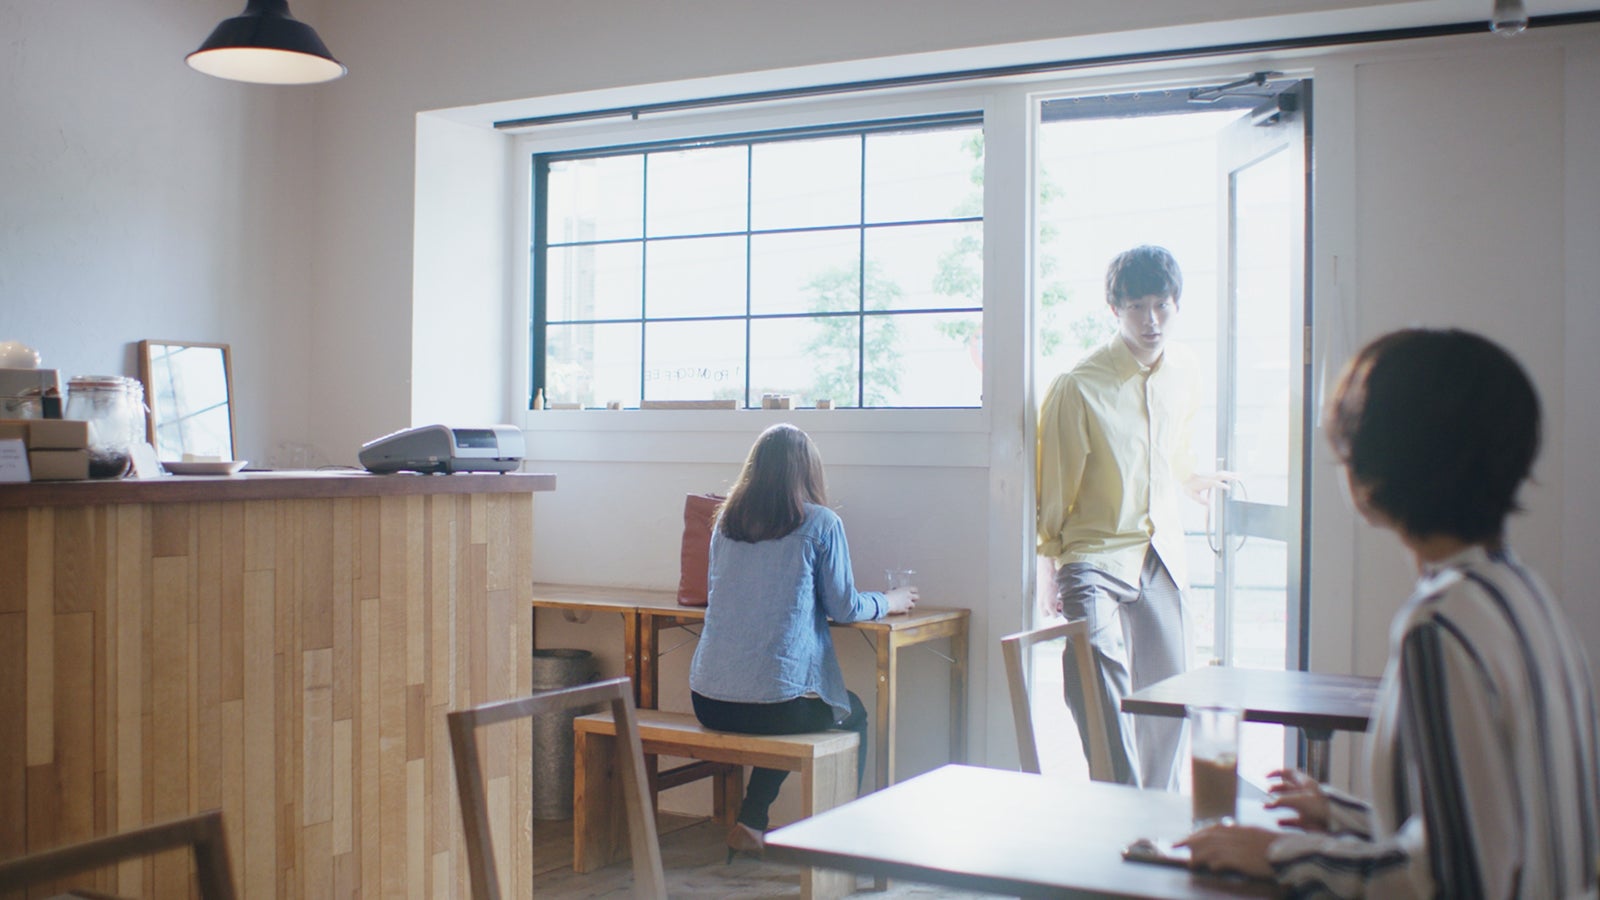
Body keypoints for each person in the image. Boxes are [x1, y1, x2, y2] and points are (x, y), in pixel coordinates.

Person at [1180, 328, 1600, 898]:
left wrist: (1284, 855)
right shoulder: (1527, 597)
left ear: (1374, 468)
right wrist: (1346, 815)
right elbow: (1499, 819)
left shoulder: (1439, 626)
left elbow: (1457, 881)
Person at [1036, 244, 1227, 789]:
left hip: (1160, 546)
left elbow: (1174, 444)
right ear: (1114, 309)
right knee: (1093, 677)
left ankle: (1157, 803)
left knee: (1172, 688)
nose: (1151, 320)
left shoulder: (1186, 368)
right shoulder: (1078, 386)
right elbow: (1055, 487)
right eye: (1137, 306)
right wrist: (1049, 564)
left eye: (1162, 305)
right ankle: (1117, 801)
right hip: (1093, 551)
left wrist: (1190, 479)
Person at [689, 423, 918, 861]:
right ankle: (848, 832)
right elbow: (845, 607)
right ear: (807, 472)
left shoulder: (725, 526)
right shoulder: (820, 523)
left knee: (780, 701)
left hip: (707, 699)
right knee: (848, 711)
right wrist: (889, 601)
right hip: (776, 707)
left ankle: (752, 822)